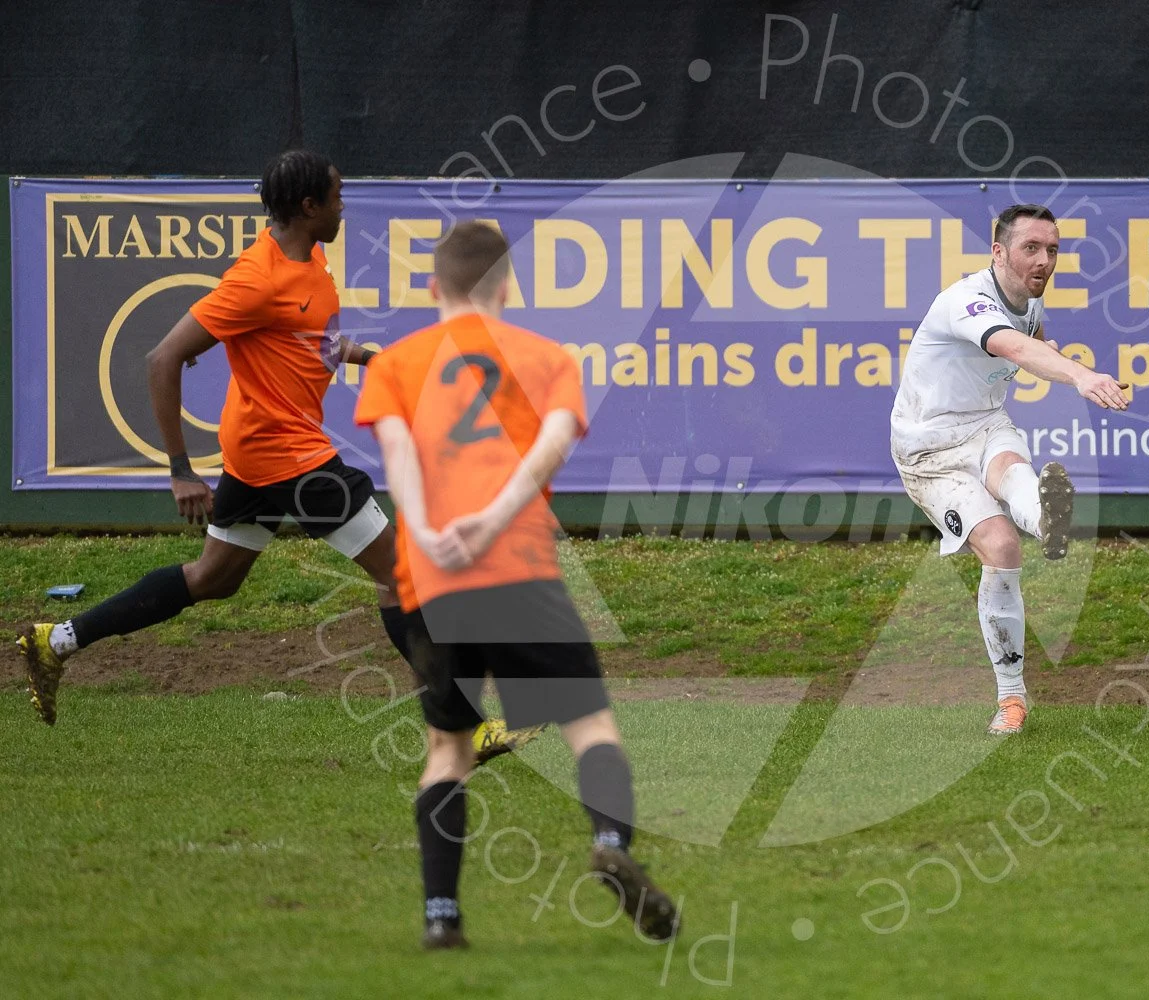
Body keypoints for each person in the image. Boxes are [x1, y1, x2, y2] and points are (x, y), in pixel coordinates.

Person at [14, 149, 532, 760]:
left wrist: (370, 359)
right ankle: (463, 728)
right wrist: (180, 471)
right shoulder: (254, 280)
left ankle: (57, 640)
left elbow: (311, 340)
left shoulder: (309, 258)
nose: (344, 207)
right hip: (292, 460)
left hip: (258, 457)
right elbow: (162, 359)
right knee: (405, 576)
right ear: (309, 207)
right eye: (336, 199)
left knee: (211, 579)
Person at [353, 220, 677, 950]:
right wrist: (494, 518)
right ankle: (611, 844)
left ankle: (442, 917)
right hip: (521, 568)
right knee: (589, 727)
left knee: (448, 750)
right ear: (507, 287)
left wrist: (430, 529)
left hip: (433, 582)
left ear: (434, 288)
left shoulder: (395, 364)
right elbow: (552, 443)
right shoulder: (548, 357)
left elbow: (398, 457)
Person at [890, 203, 1130, 736]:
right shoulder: (967, 301)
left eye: (1052, 250)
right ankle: (1012, 700)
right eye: (1030, 248)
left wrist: (1051, 353)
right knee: (1000, 548)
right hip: (928, 451)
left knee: (1011, 467)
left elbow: (1031, 340)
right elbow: (1012, 346)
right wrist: (1081, 376)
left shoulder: (1028, 303)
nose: (1044, 260)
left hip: (984, 425)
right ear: (998, 252)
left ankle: (1049, 519)